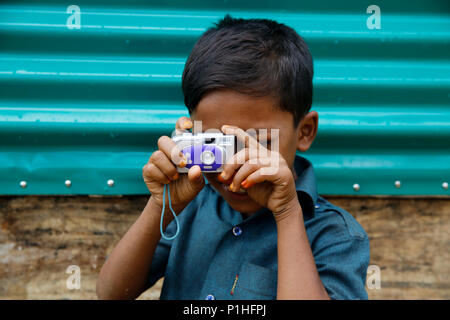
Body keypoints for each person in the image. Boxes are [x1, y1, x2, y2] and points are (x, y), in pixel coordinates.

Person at [96, 14, 370, 300]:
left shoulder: (335, 235)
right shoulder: (191, 207)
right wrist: (160, 204)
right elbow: (112, 293)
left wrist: (287, 213)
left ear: (304, 131)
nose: (232, 167)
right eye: (215, 143)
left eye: (258, 142)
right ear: (190, 132)